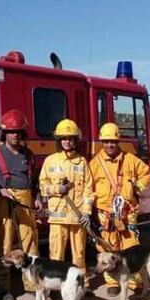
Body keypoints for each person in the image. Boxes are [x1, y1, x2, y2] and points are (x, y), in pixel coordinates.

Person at [0, 109, 43, 300]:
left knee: (31, 243)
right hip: (5, 200)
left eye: (18, 131)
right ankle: (5, 289)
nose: (15, 135)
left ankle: (32, 285)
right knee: (5, 244)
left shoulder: (29, 154)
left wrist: (38, 197)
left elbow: (35, 181)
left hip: (26, 201)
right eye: (11, 132)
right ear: (4, 134)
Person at [89, 122, 150, 297]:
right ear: (102, 142)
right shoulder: (95, 164)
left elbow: (146, 173)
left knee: (132, 249)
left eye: (113, 141)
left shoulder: (130, 160)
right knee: (108, 251)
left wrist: (138, 186)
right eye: (107, 141)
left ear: (118, 142)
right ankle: (112, 282)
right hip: (106, 216)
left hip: (126, 215)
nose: (110, 145)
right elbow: (88, 188)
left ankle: (135, 281)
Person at [39, 119, 94, 288]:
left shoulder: (82, 162)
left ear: (75, 140)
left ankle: (82, 284)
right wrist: (57, 188)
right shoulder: (50, 161)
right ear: (59, 140)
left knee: (79, 254)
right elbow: (42, 186)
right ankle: (57, 287)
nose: (67, 141)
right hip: (57, 218)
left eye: (70, 138)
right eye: (64, 138)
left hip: (77, 218)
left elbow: (88, 189)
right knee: (56, 255)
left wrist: (86, 212)